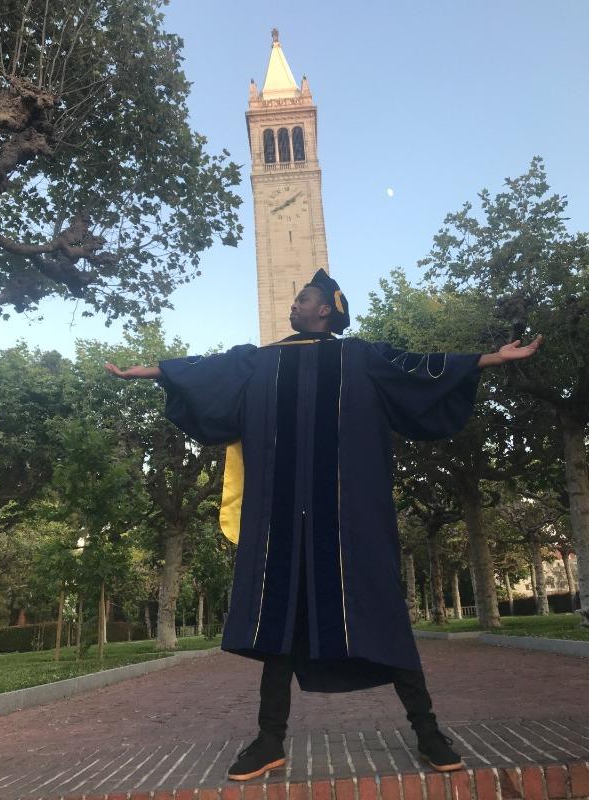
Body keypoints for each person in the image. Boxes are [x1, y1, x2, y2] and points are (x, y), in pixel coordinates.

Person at [105, 269, 542, 780]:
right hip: (283, 525)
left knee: (384, 619)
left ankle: (428, 732)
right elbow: (211, 371)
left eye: (304, 298)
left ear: (327, 311)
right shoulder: (260, 361)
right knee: (280, 631)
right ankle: (269, 741)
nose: (295, 303)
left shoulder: (363, 358)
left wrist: (489, 358)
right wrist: (154, 371)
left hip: (351, 526)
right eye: (294, 297)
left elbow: (424, 368)